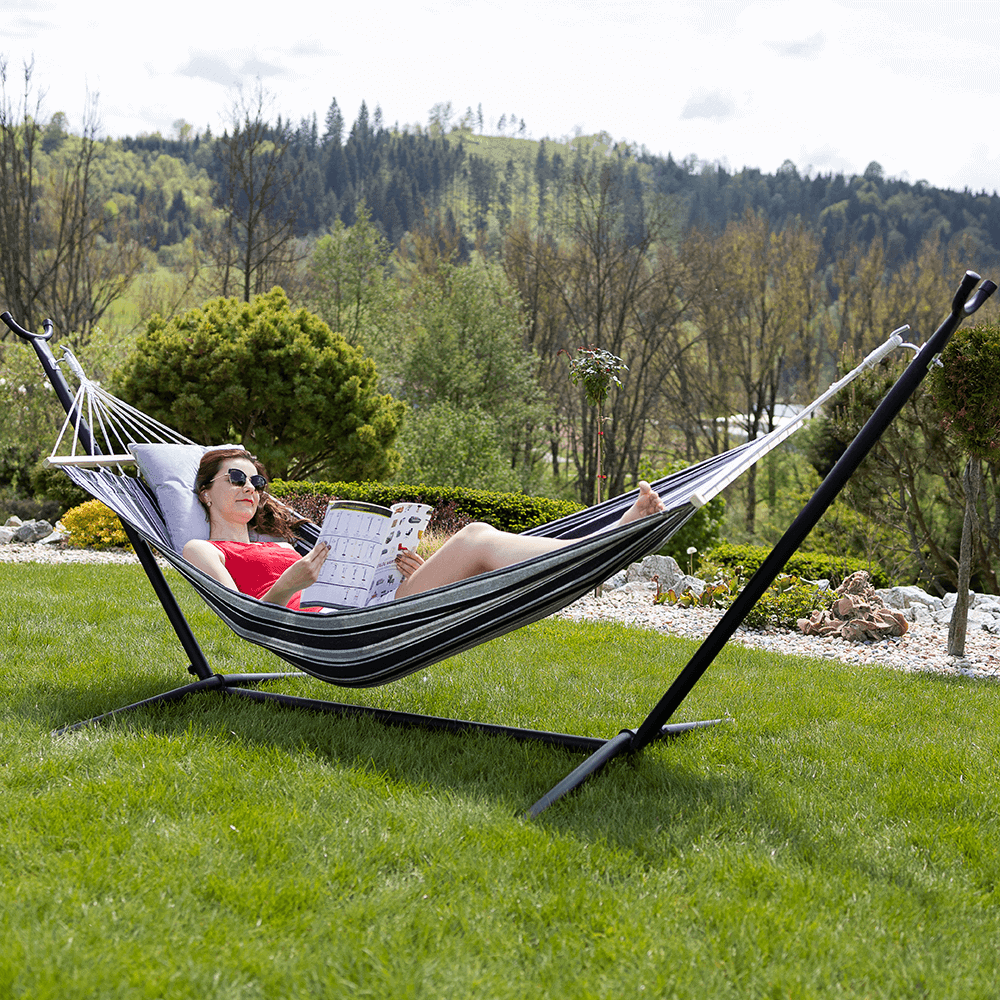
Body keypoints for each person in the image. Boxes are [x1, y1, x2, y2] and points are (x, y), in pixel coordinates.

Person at [182, 448, 665, 609]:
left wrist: (395, 571)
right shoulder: (202, 548)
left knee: (476, 543)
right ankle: (598, 545)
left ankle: (597, 546)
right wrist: (292, 582)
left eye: (257, 482)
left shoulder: (284, 544)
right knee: (474, 537)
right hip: (326, 629)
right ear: (206, 492)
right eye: (237, 479)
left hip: (369, 608)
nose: (251, 488)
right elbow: (245, 615)